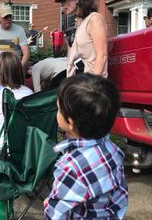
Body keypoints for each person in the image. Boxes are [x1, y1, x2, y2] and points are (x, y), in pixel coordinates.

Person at [44, 73, 128, 219]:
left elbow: (57, 215)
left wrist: (49, 204)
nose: (56, 112)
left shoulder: (70, 167)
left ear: (70, 122)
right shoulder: (114, 151)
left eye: (58, 108)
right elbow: (120, 194)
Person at [55, 0, 108, 77]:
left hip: (91, 86)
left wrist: (93, 84)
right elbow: (73, 57)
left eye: (63, 0)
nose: (61, 4)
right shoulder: (78, 23)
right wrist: (62, 42)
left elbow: (102, 55)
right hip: (77, 83)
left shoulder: (94, 19)